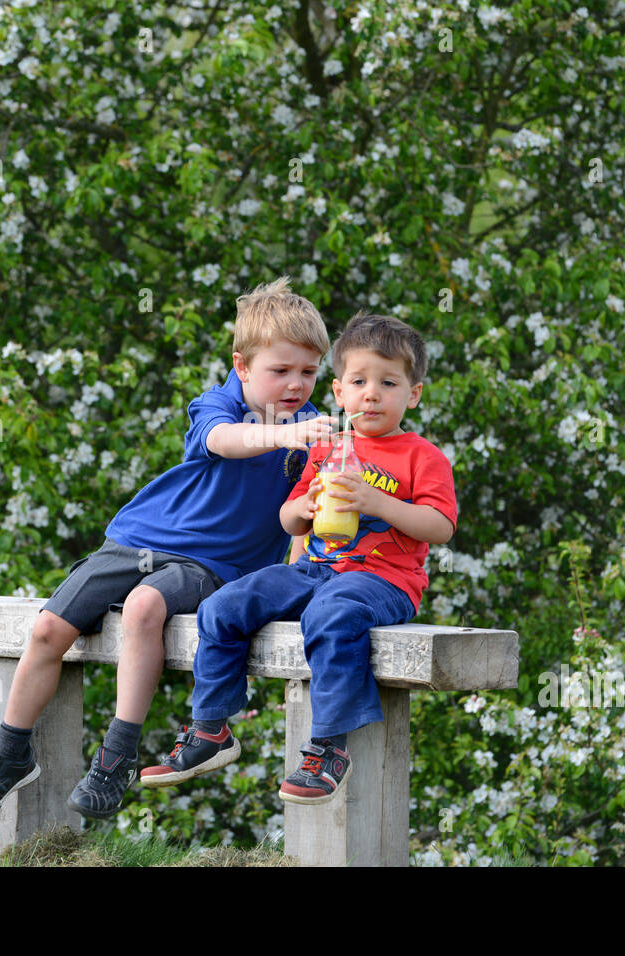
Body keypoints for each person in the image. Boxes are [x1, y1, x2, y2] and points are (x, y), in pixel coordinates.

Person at [0, 276, 335, 821]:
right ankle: (10, 754)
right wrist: (285, 434)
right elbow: (225, 442)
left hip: (215, 566)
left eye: (308, 372)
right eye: (280, 371)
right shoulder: (220, 405)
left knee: (143, 607)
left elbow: (303, 522)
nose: (295, 385)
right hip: (137, 539)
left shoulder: (313, 432)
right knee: (47, 629)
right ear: (242, 366)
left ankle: (116, 756)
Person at [142, 310, 458, 804]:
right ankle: (211, 729)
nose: (371, 393)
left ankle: (329, 746)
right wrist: (301, 507)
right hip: (313, 568)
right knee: (224, 606)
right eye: (359, 381)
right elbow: (290, 520)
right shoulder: (329, 447)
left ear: (413, 394)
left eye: (388, 382)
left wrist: (380, 504)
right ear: (339, 392)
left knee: (330, 615)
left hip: (382, 580)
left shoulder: (422, 456)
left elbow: (440, 527)